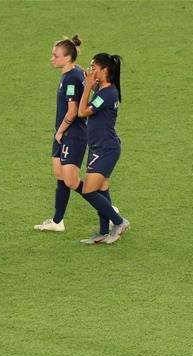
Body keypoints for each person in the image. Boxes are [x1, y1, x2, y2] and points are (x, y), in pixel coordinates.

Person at [34, 35, 88, 233]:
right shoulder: (71, 73)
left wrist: (60, 131)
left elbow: (72, 111)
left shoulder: (72, 77)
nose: (52, 59)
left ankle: (107, 208)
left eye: (55, 56)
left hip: (71, 134)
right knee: (59, 174)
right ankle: (57, 221)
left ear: (67, 58)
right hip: (62, 134)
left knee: (71, 180)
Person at [75, 53, 130, 244]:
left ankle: (119, 222)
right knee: (102, 189)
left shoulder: (106, 94)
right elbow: (88, 79)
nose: (91, 71)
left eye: (94, 68)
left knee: (89, 191)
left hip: (105, 149)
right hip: (100, 147)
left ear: (105, 70)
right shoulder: (104, 89)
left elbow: (82, 112)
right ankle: (103, 231)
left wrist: (87, 87)